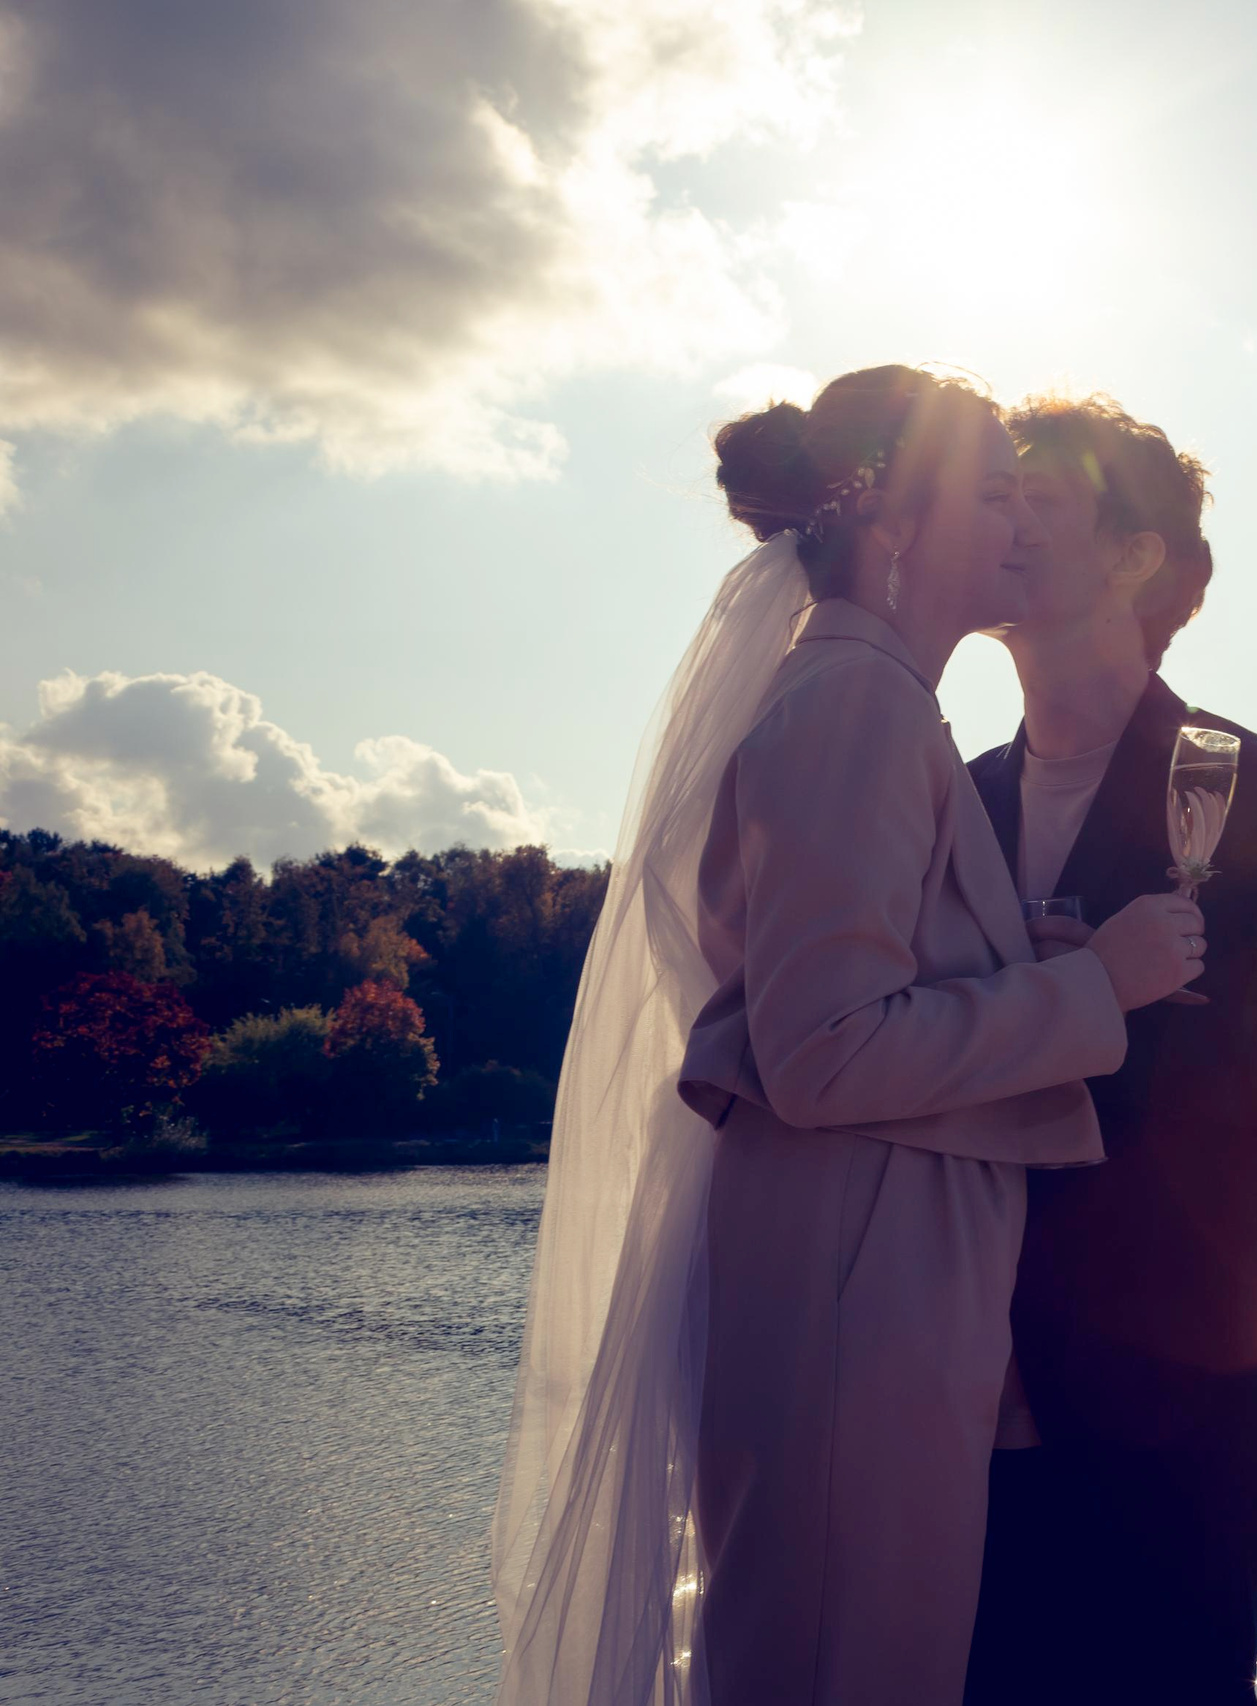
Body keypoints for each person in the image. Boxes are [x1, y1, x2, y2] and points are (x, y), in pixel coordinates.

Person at [491, 367, 1207, 1706]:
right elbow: (821, 1048)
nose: (1022, 521)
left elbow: (844, 993)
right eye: (993, 492)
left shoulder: (880, 701)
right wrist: (1094, 989)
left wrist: (1016, 963)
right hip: (855, 1303)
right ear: (892, 532)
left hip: (874, 1286)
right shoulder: (856, 707)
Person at [961, 395, 1257, 1704]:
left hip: (1172, 1438)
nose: (1000, 524)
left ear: (1135, 558)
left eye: (1032, 499)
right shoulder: (954, 800)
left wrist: (1132, 1005)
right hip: (951, 1430)